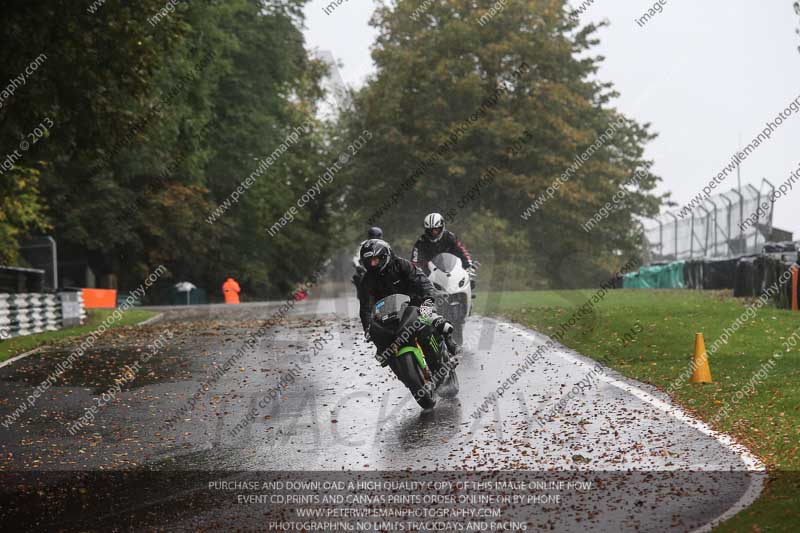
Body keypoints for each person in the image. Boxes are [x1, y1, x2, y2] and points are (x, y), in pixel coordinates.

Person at [357, 239, 459, 368]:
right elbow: (365, 307)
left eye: (375, 259)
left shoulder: (402, 264)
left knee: (431, 318)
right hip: (389, 314)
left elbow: (423, 281)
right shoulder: (366, 281)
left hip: (415, 303)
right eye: (369, 261)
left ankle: (448, 342)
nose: (372, 264)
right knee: (383, 348)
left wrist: (428, 298)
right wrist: (367, 328)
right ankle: (400, 368)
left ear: (384, 256)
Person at [410, 213, 476, 288]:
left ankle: (467, 297)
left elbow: (462, 252)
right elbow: (414, 262)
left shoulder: (450, 237)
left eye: (436, 229)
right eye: (430, 230)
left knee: (470, 282)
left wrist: (469, 266)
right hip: (431, 275)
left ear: (442, 227)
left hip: (452, 271)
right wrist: (416, 273)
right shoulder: (421, 242)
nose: (433, 233)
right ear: (426, 230)